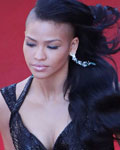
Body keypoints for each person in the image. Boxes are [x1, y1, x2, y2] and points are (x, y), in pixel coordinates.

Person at [0, 0, 120, 149]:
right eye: (31, 43)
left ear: (73, 45)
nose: (38, 55)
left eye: (52, 46)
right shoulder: (7, 103)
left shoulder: (105, 93)